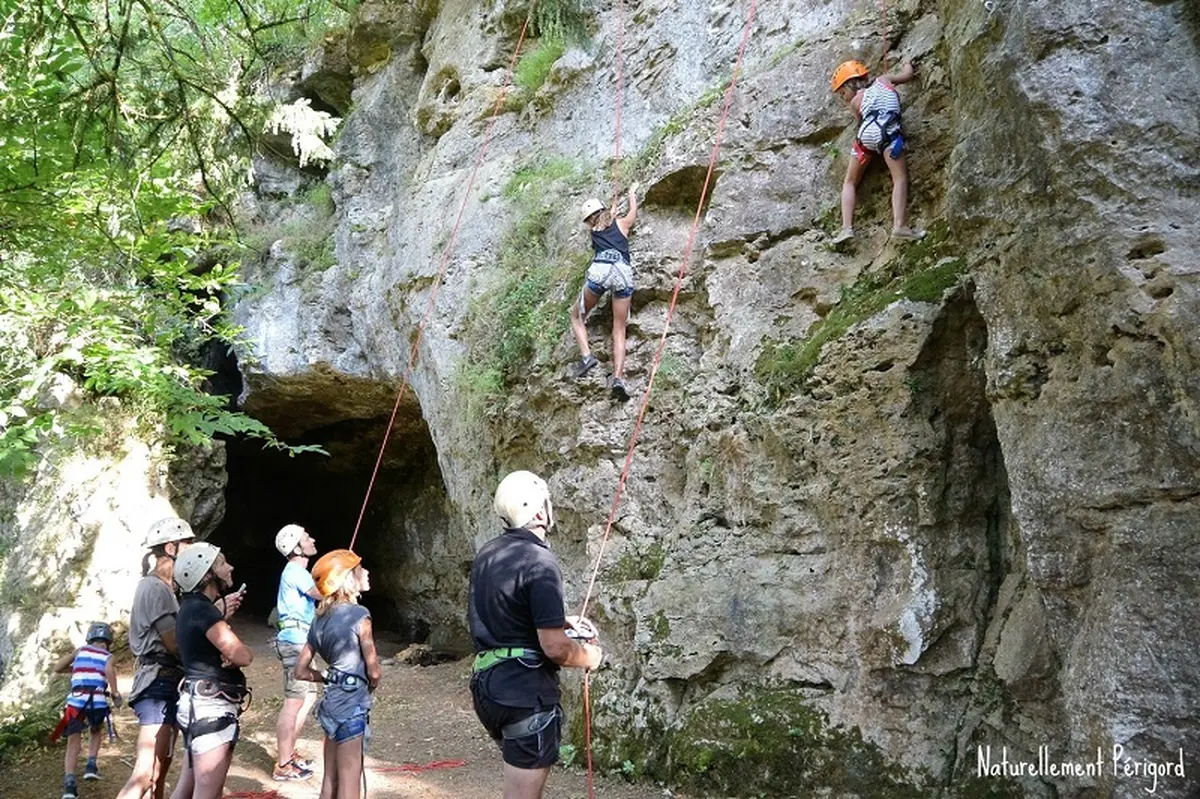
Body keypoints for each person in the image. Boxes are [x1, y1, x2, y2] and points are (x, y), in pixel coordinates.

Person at [468, 470, 604, 799]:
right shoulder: (540, 561)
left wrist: (561, 620)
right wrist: (590, 657)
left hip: (488, 687)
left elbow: (504, 612)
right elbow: (554, 647)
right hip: (524, 694)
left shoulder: (489, 553)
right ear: (540, 511)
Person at [117, 516, 221, 799]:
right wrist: (210, 625)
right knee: (145, 772)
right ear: (172, 548)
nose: (193, 549)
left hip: (166, 682)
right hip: (157, 685)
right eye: (188, 543)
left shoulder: (166, 589)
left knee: (160, 768)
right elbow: (175, 643)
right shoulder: (154, 588)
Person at [294, 549, 382, 799]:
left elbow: (300, 671)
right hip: (352, 704)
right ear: (347, 579)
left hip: (330, 703)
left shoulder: (318, 620)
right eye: (359, 569)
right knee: (350, 783)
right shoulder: (360, 615)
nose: (365, 572)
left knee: (329, 781)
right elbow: (373, 670)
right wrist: (371, 682)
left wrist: (328, 677)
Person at [174, 542, 253, 799]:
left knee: (186, 788)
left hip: (197, 705)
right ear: (207, 574)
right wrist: (238, 655)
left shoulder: (190, 607)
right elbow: (242, 654)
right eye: (221, 563)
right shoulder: (203, 611)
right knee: (207, 792)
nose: (229, 567)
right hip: (211, 709)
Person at [829, 59, 925, 246]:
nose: (844, 97)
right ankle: (900, 226)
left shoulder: (855, 103)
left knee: (849, 182)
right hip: (889, 133)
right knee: (899, 179)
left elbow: (860, 120)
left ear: (850, 86)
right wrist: (907, 64)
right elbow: (907, 75)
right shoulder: (884, 79)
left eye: (843, 93)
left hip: (866, 136)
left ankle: (846, 228)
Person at [570, 182, 640, 401]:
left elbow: (601, 219)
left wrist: (609, 209)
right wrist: (631, 194)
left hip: (601, 269)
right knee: (619, 328)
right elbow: (631, 212)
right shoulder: (622, 224)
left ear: (588, 220)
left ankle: (586, 357)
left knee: (576, 316)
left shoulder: (594, 231)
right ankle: (618, 379)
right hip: (622, 271)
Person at [271, 523, 321, 781]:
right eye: (306, 537)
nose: (312, 538)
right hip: (295, 642)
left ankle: (290, 752)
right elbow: (322, 593)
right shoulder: (296, 571)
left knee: (307, 697)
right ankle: (283, 765)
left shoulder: (296, 572)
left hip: (299, 640)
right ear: (297, 547)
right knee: (293, 703)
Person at [51, 622, 122, 799]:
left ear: (90, 638)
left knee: (73, 741)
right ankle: (91, 766)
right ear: (108, 640)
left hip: (76, 701)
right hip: (96, 700)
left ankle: (69, 784)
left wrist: (75, 667)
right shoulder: (109, 656)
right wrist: (115, 693)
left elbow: (58, 667)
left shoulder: (80, 651)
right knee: (95, 730)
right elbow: (108, 670)